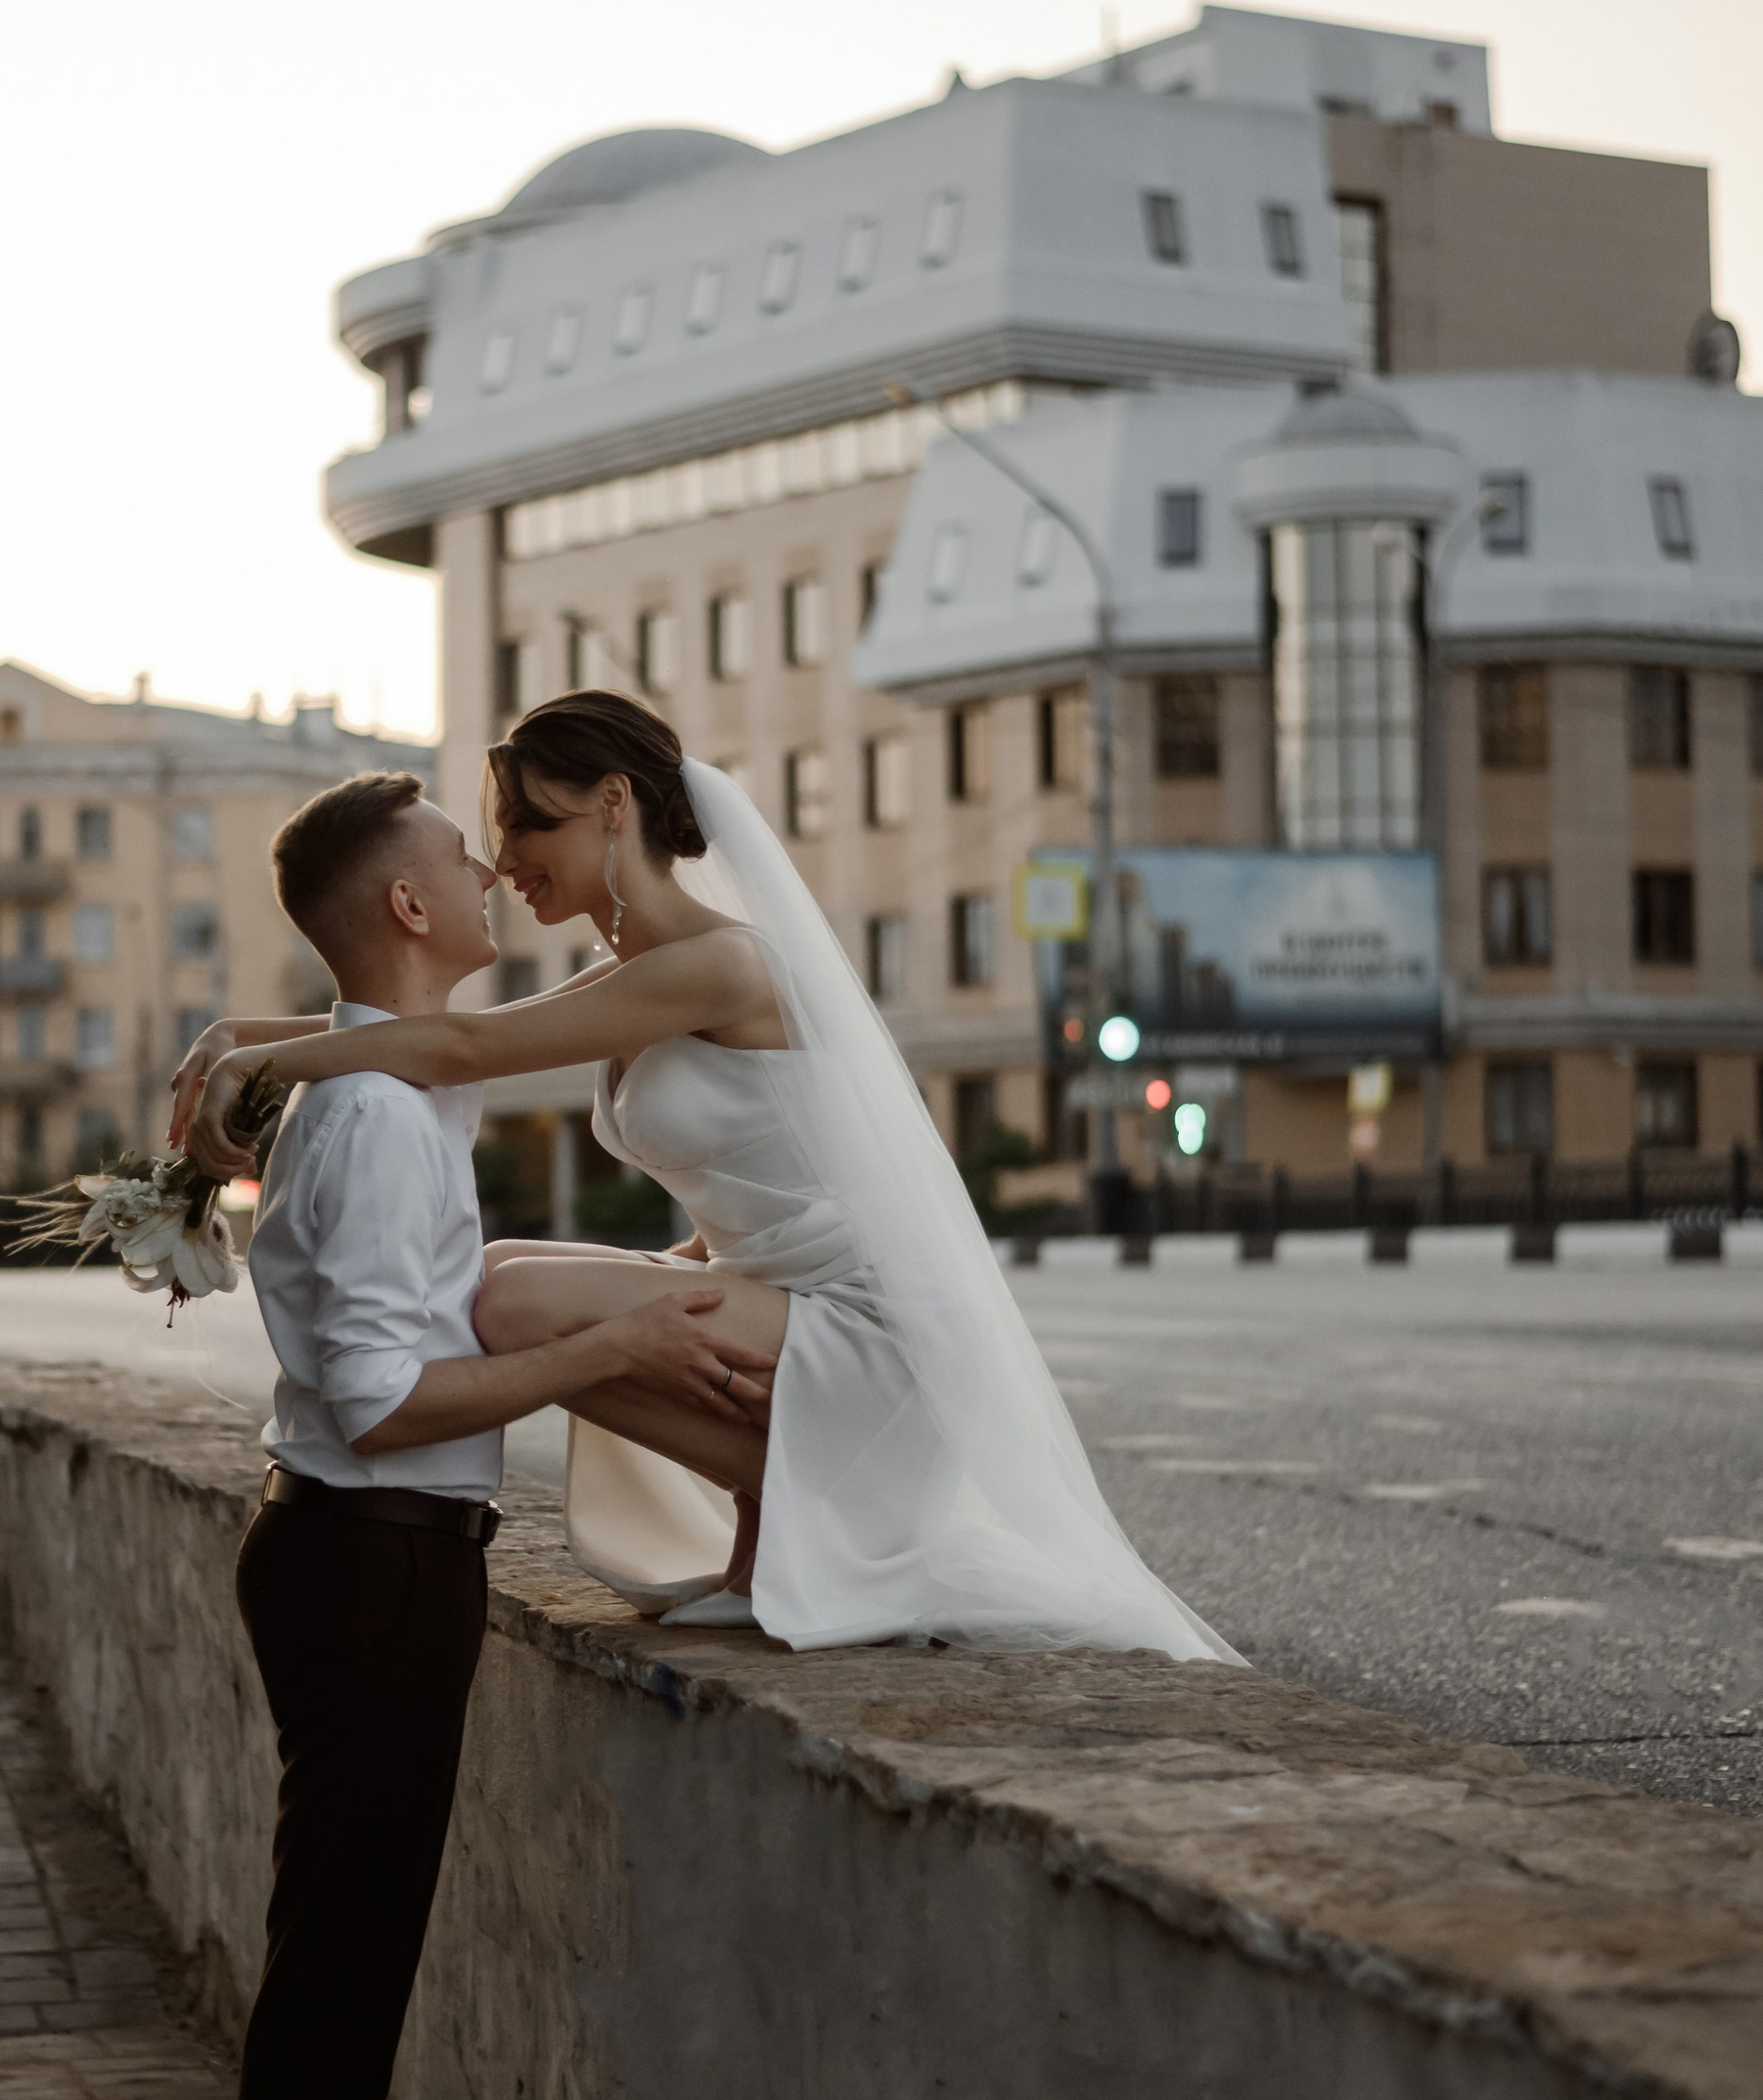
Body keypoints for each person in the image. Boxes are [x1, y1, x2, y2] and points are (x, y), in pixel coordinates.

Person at [186, 694, 1238, 1666]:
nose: (504, 864)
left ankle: (794, 1508)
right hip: (793, 1314)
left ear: (613, 806)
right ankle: (764, 1535)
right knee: (500, 1273)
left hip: (874, 1336)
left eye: (530, 825)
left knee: (508, 1297)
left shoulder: (720, 965)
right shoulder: (639, 974)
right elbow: (450, 1037)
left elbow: (463, 1048)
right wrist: (239, 1036)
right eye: (496, 839)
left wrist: (258, 1063)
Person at [226, 766, 778, 2100]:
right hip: (371, 1565)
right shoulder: (381, 1119)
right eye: (464, 860)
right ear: (408, 908)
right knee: (332, 1999)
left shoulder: (384, 1088)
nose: (488, 877)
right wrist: (613, 1352)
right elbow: (385, 1401)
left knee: (348, 1985)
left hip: (364, 1561)